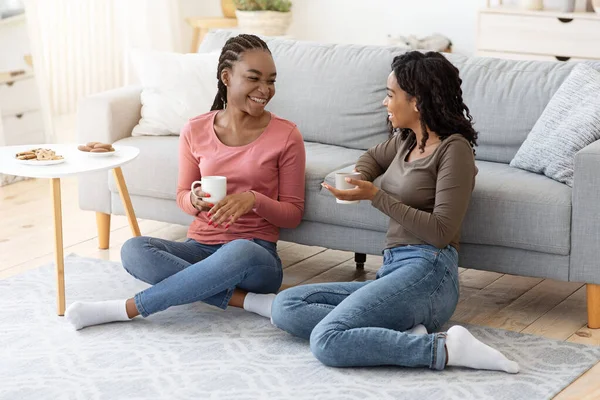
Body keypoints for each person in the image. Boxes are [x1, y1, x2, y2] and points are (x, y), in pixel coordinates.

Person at [271, 51, 519, 374]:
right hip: (392, 270)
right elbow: (371, 158)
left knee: (326, 339)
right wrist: (360, 177)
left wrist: (376, 195)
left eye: (390, 95)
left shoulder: (453, 150)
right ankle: (400, 329)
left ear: (416, 102)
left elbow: (442, 231)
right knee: (285, 306)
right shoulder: (406, 141)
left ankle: (445, 348)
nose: (385, 104)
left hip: (430, 271)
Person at [65, 34, 306, 331]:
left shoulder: (286, 135)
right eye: (254, 79)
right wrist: (193, 200)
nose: (265, 90)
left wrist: (253, 200)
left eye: (271, 81)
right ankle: (249, 302)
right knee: (133, 250)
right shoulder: (195, 129)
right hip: (200, 247)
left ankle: (124, 308)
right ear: (226, 77)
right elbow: (182, 194)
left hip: (254, 255)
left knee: (239, 250)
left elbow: (293, 214)